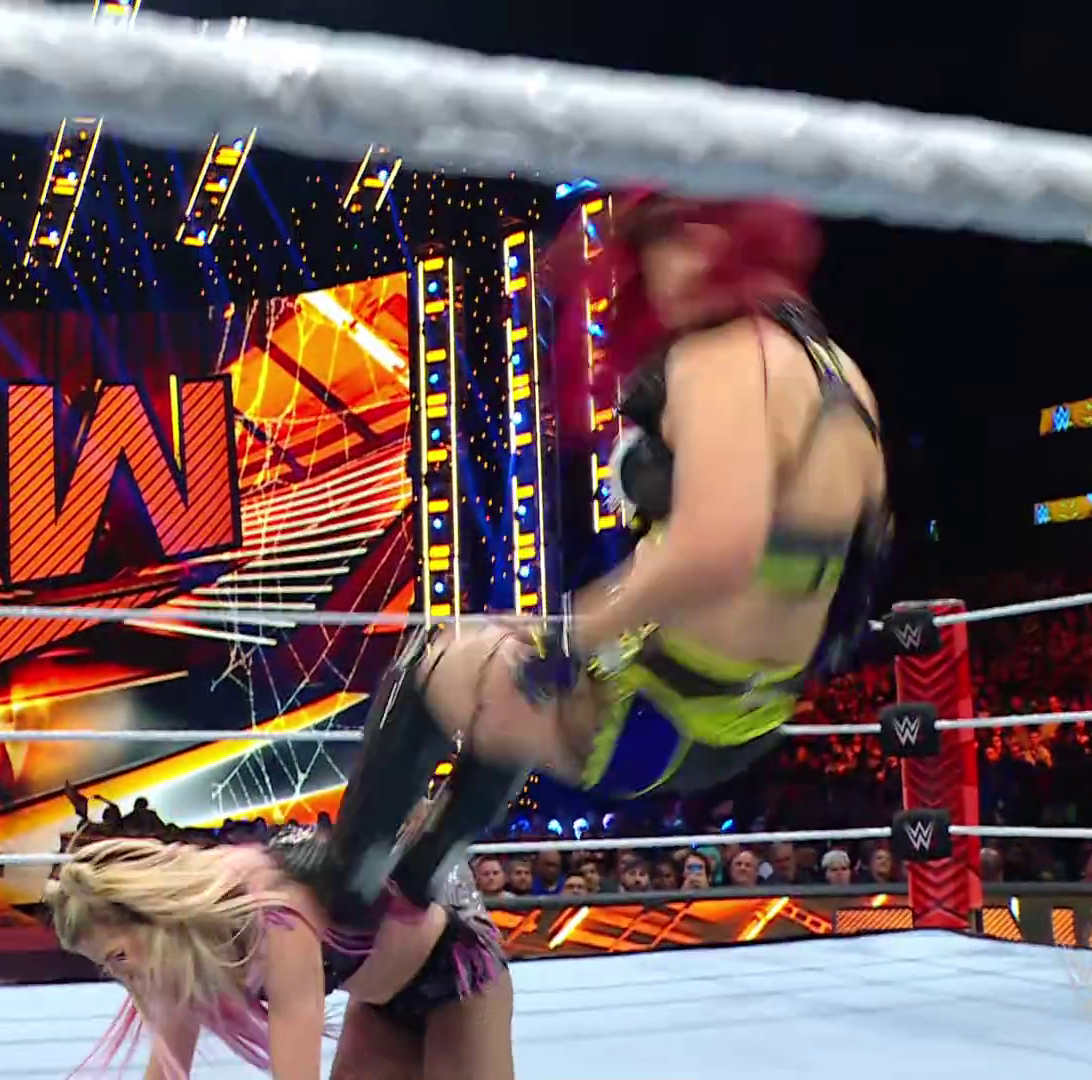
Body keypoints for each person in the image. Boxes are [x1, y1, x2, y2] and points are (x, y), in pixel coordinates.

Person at [323, 192, 891, 908]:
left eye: (682, 239)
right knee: (504, 668)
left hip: (658, 715)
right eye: (656, 246)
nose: (666, 267)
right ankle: (422, 883)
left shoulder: (724, 357)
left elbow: (715, 550)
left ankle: (344, 895)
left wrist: (574, 631)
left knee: (435, 659)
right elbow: (852, 558)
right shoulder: (839, 373)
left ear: (736, 240)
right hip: (753, 713)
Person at [48, 829, 512, 1080]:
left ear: (150, 918)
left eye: (118, 957)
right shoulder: (182, 961)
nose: (122, 977)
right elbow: (168, 1073)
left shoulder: (274, 920)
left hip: (460, 977)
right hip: (381, 1002)